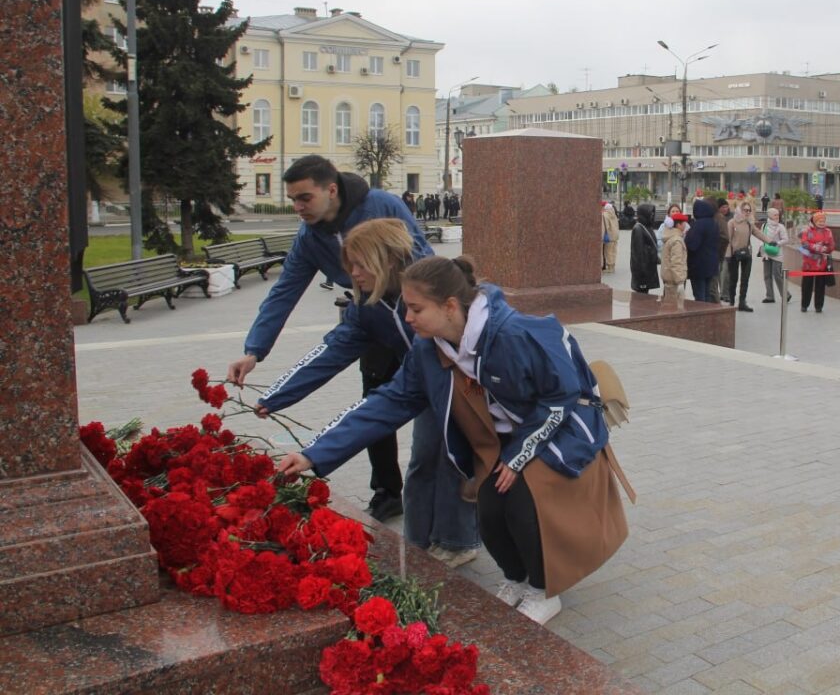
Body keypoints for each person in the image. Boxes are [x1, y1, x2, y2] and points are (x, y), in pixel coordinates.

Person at [277, 256, 631, 625]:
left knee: (522, 502)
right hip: (505, 441)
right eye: (406, 308)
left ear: (449, 306)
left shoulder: (514, 334)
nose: (407, 318)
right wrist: (313, 455)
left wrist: (518, 456)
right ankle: (516, 580)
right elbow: (386, 403)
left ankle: (543, 590)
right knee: (489, 509)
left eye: (416, 309)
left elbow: (560, 397)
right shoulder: (429, 349)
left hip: (559, 428)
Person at [254, 219, 478, 565]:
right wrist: (276, 397)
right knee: (422, 459)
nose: (353, 274)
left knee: (454, 461)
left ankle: (457, 541)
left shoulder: (430, 289)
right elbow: (333, 352)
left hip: (467, 388)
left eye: (360, 264)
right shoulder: (368, 307)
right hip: (422, 386)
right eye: (350, 266)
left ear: (388, 259)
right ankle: (418, 543)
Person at [226, 155, 431, 521]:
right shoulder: (310, 237)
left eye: (304, 197)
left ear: (331, 190)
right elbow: (286, 291)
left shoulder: (380, 205)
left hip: (417, 320)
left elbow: (422, 262)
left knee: (431, 429)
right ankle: (387, 491)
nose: (297, 207)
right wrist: (255, 352)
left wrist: (421, 310)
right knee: (378, 400)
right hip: (370, 315)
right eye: (293, 199)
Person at [725, 200, 770, 312]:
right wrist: (728, 255)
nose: (747, 212)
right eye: (745, 210)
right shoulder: (732, 222)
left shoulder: (749, 223)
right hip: (734, 254)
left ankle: (742, 302)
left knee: (745, 279)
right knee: (733, 279)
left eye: (749, 210)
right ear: (740, 210)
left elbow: (758, 233)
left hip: (747, 253)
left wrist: (769, 241)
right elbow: (728, 240)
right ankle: (731, 302)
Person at [797, 210, 835, 313]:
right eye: (819, 221)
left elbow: (832, 245)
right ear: (814, 221)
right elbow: (804, 243)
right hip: (809, 262)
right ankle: (804, 305)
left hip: (822, 263)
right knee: (806, 285)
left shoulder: (828, 231)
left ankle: (819, 306)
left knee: (820, 286)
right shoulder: (807, 230)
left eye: (823, 221)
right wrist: (816, 247)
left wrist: (826, 249)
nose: (822, 223)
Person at [684, 198, 719, 302]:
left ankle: (701, 312)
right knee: (707, 294)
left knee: (699, 295)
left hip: (698, 266)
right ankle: (707, 311)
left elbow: (692, 245)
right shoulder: (714, 223)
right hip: (711, 265)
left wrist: (686, 238)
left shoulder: (698, 225)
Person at [760, 208, 790, 304]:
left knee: (777, 275)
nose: (777, 216)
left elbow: (786, 239)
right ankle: (770, 296)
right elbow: (762, 238)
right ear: (769, 215)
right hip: (766, 253)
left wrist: (776, 243)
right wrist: (762, 252)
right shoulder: (764, 225)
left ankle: (786, 294)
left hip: (777, 254)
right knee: (767, 275)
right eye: (775, 215)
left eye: (778, 214)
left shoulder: (780, 227)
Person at [629, 203, 660, 294]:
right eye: (651, 213)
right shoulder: (638, 228)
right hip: (643, 270)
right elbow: (638, 253)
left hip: (648, 267)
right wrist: (642, 272)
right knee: (641, 295)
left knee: (645, 294)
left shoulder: (647, 226)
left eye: (653, 213)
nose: (652, 215)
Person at [659, 214, 688, 308]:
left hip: (669, 279)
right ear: (679, 225)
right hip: (674, 281)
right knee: (675, 308)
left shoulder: (670, 237)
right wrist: (680, 282)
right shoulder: (677, 241)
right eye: (684, 223)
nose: (685, 225)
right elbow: (676, 262)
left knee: (669, 307)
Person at [713, 198, 732, 304]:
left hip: (728, 250)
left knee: (726, 273)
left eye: (726, 206)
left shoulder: (731, 217)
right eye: (723, 207)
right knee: (719, 272)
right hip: (718, 249)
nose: (725, 209)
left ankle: (725, 293)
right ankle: (720, 293)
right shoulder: (716, 218)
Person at [601, 202, 619, 273]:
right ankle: (613, 266)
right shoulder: (614, 214)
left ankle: (610, 267)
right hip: (615, 235)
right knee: (613, 251)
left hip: (609, 236)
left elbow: (605, 227)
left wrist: (602, 237)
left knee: (608, 252)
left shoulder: (604, 215)